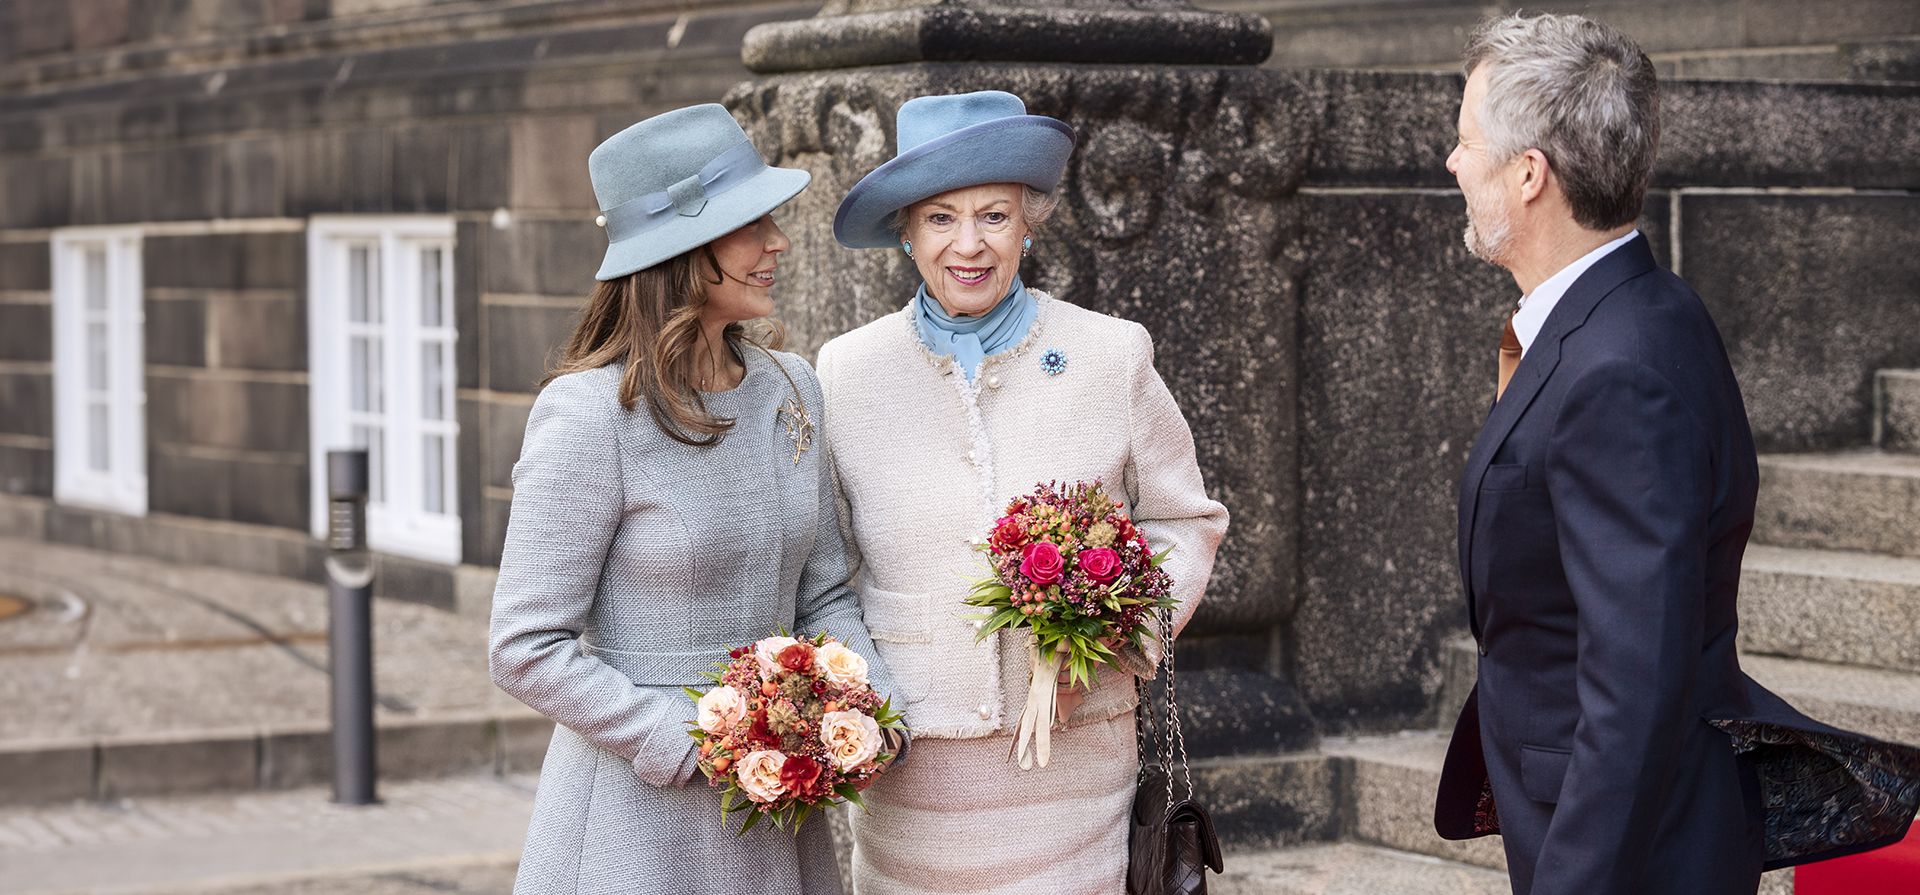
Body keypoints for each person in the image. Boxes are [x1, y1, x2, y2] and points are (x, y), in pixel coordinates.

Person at [1432, 13, 1920, 895]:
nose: (1453, 163)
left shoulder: (1617, 368)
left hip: (1625, 847)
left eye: (1466, 141)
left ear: (1530, 173)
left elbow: (1635, 684)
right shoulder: (1644, 307)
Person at [816, 89, 1229, 894]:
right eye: (940, 218)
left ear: (1029, 222)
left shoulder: (1111, 355)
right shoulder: (846, 371)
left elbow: (1187, 522)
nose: (968, 245)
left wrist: (1112, 637)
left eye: (994, 216)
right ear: (905, 229)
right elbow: (823, 571)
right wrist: (868, 695)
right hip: (911, 780)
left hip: (1073, 780)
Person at [488, 103, 899, 894]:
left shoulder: (792, 388)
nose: (777, 241)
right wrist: (690, 741)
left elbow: (823, 594)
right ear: (680, 249)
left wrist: (875, 706)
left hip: (781, 827)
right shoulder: (587, 414)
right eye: (751, 223)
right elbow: (523, 645)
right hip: (634, 828)